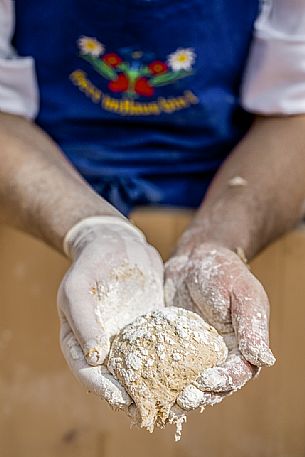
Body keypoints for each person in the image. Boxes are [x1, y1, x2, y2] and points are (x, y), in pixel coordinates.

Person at [0, 0, 305, 415]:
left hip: (235, 185)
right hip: (38, 189)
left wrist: (218, 240)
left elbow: (294, 112)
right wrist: (91, 226)